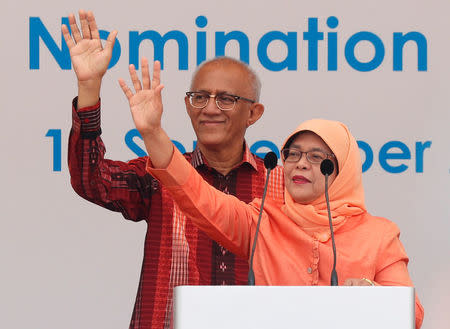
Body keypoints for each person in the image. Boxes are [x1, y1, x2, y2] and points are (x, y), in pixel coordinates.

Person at [121, 63, 424, 326]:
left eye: (317, 157)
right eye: (292, 154)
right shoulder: (262, 222)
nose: (301, 163)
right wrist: (152, 133)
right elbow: (198, 196)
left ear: (341, 168)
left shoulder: (379, 235)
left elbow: (412, 314)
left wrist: (373, 294)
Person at [62, 10, 284, 329]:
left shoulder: (280, 185)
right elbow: (91, 180)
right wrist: (89, 89)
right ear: (186, 105)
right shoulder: (160, 175)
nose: (209, 108)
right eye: (199, 97)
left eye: (225, 99)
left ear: (254, 112)